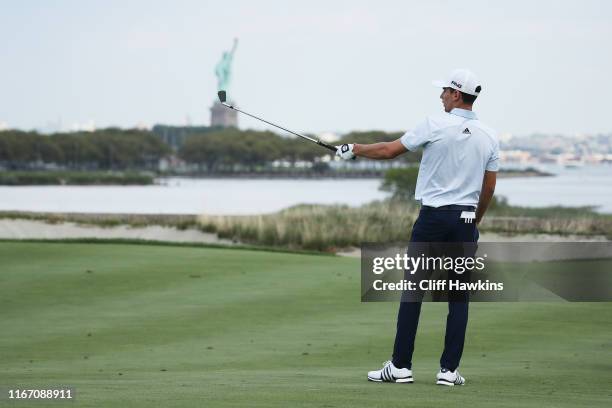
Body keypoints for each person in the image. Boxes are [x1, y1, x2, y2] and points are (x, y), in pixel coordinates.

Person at [335, 68, 499, 386]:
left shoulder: (433, 123)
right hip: (465, 221)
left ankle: (400, 367)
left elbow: (389, 151)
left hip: (433, 219)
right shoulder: (490, 135)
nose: (440, 96)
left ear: (455, 94)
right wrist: (474, 220)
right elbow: (489, 187)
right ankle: (449, 372)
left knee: (413, 292)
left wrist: (354, 149)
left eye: (444, 92)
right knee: (459, 296)